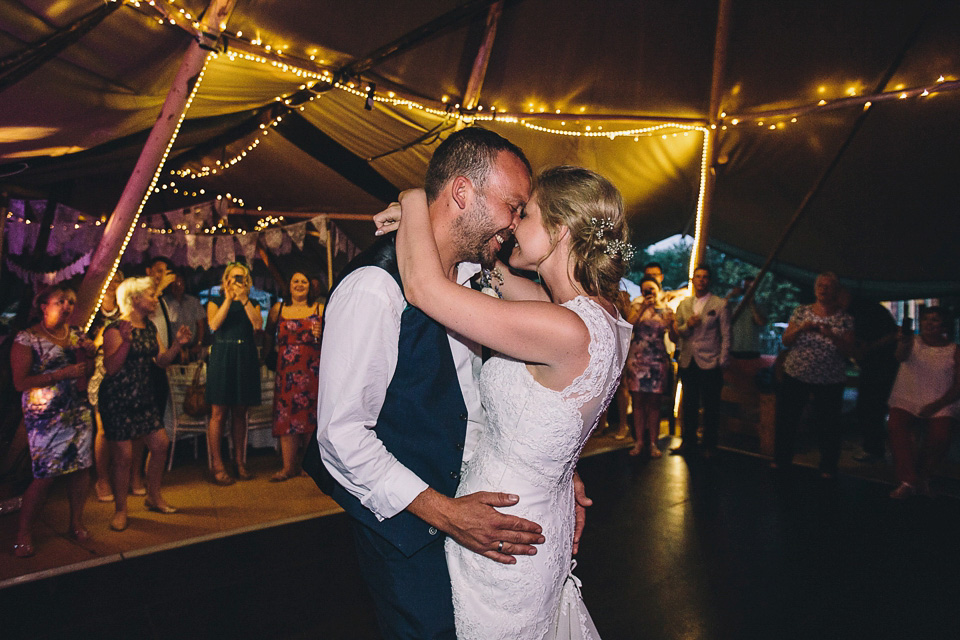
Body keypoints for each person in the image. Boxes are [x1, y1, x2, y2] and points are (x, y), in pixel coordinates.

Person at [311, 128, 552, 640]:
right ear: (462, 194)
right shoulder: (375, 287)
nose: (513, 225)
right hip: (404, 525)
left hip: (467, 511)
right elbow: (341, 436)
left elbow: (474, 400)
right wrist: (445, 513)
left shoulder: (471, 278)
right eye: (512, 207)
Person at [394, 164, 632, 639]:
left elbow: (424, 289)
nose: (513, 225)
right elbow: (495, 277)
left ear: (559, 230)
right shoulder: (598, 317)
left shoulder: (563, 328)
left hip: (502, 536)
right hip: (536, 515)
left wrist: (414, 200)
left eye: (525, 214)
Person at [98, 277, 192, 531]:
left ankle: (153, 496)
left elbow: (161, 361)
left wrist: (176, 345)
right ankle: (121, 511)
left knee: (160, 444)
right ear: (135, 298)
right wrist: (126, 342)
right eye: (150, 295)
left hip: (143, 396)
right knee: (124, 458)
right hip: (118, 398)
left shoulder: (149, 326)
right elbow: (112, 368)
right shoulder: (115, 329)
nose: (155, 299)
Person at [10, 285, 96, 557]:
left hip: (77, 411)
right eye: (61, 301)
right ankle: (23, 531)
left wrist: (91, 355)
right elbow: (20, 382)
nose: (68, 306)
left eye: (70, 302)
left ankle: (76, 521)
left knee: (81, 468)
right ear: (44, 306)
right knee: (46, 474)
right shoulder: (27, 339)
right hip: (45, 417)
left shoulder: (77, 334)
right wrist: (60, 375)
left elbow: (88, 372)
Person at [773, 272, 854, 478]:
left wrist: (831, 335)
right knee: (787, 419)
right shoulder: (802, 312)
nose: (823, 289)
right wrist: (800, 329)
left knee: (828, 424)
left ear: (835, 291)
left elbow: (849, 350)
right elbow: (786, 340)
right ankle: (781, 460)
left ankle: (828, 466)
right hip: (797, 374)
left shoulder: (844, 319)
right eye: (820, 285)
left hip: (829, 379)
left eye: (828, 286)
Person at [886, 307, 960, 498]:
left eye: (934, 320)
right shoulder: (913, 342)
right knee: (896, 425)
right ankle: (908, 479)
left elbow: (958, 384)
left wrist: (937, 404)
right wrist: (903, 342)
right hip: (908, 396)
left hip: (940, 400)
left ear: (943, 324)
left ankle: (924, 477)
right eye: (926, 319)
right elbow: (899, 356)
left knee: (941, 436)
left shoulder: (954, 350)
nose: (929, 323)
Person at [206, 262, 262, 485]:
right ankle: (217, 464)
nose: (238, 282)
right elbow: (213, 324)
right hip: (223, 355)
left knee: (241, 412)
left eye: (242, 278)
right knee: (218, 413)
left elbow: (258, 325)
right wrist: (229, 298)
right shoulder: (215, 301)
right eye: (234, 277)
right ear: (226, 279)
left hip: (245, 355)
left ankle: (239, 461)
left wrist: (244, 300)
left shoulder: (253, 302)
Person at [265, 271, 323, 481]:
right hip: (286, 373)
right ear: (289, 286)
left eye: (304, 281)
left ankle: (308, 466)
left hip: (312, 371)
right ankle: (287, 467)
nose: (299, 284)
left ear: (310, 286)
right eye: (295, 281)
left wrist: (323, 332)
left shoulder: (319, 310)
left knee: (310, 416)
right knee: (286, 417)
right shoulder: (278, 309)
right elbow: (267, 336)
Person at [671, 265, 731, 455]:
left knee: (710, 405)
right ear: (693, 280)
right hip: (688, 360)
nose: (701, 280)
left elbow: (726, 334)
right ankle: (688, 442)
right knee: (689, 404)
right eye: (698, 277)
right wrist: (687, 325)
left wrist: (722, 359)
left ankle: (709, 445)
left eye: (705, 277)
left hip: (710, 360)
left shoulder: (719, 304)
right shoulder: (684, 304)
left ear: (709, 280)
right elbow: (678, 331)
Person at [626, 276, 677, 457]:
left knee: (654, 404)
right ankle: (639, 442)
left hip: (657, 360)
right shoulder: (635, 308)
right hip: (638, 360)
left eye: (652, 290)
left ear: (658, 290)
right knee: (638, 403)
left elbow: (675, 339)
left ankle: (654, 442)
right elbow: (627, 328)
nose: (649, 293)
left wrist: (671, 325)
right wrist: (641, 310)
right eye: (645, 290)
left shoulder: (666, 310)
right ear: (641, 292)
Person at [847, 297, 899, 463]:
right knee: (870, 407)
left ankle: (875, 448)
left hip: (881, 367)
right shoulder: (864, 314)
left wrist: (869, 348)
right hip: (874, 366)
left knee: (872, 407)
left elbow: (892, 335)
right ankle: (876, 446)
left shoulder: (869, 313)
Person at [162, 272, 207, 363]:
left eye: (180, 284)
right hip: (171, 349)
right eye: (174, 285)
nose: (178, 287)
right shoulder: (164, 302)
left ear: (184, 285)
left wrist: (199, 343)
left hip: (191, 349)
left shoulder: (193, 302)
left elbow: (201, 324)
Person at [726, 275, 768, 360]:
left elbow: (761, 322)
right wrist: (730, 295)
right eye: (745, 287)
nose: (747, 291)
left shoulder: (760, 305)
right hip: (734, 348)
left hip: (751, 349)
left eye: (750, 288)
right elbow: (718, 311)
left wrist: (752, 305)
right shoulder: (733, 304)